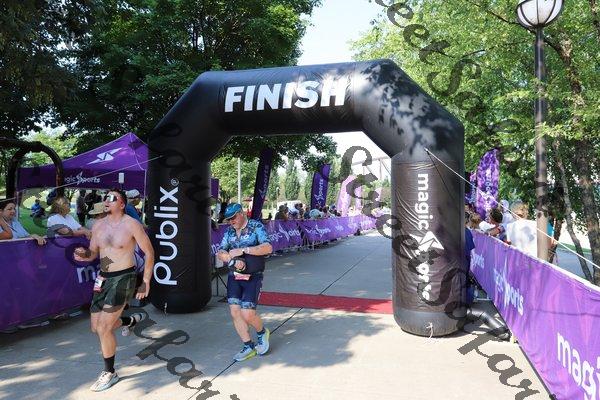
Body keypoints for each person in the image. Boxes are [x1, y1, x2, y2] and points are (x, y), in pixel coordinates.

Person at [73, 188, 155, 392]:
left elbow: (149, 252)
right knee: (96, 327)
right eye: (105, 198)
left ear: (122, 204)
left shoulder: (132, 224)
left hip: (124, 278)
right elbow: (93, 253)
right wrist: (83, 254)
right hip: (103, 279)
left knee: (104, 328)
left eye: (112, 198)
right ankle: (129, 321)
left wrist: (145, 281)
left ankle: (110, 372)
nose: (107, 200)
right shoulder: (98, 225)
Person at [216, 203, 273, 362]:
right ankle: (248, 346)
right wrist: (228, 257)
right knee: (235, 312)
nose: (231, 221)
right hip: (234, 275)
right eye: (228, 219)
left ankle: (262, 333)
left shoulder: (256, 227)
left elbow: (268, 248)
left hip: (253, 276)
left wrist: (244, 250)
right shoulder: (229, 231)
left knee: (247, 314)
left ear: (241, 213)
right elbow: (220, 251)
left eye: (233, 217)